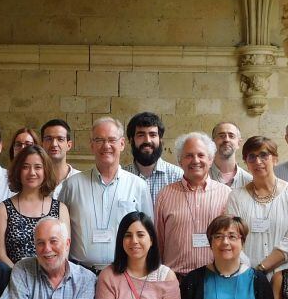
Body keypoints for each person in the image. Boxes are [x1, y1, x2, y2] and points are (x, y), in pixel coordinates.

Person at [58, 117, 153, 272]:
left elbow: (148, 232)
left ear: (122, 144)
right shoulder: (72, 185)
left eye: (111, 140)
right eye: (99, 140)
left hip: (124, 273)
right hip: (80, 273)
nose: (106, 146)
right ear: (92, 145)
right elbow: (60, 230)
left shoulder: (138, 186)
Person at [225, 136, 288, 275]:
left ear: (275, 159)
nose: (258, 161)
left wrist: (261, 268)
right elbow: (233, 237)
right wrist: (250, 273)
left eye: (263, 155)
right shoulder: (236, 197)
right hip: (246, 275)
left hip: (286, 276)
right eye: (252, 157)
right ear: (246, 162)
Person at [154, 132, 231, 277]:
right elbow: (158, 242)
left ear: (210, 159)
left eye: (201, 155)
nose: (195, 160)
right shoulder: (164, 195)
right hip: (176, 281)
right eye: (189, 156)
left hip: (215, 278)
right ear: (180, 161)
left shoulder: (226, 194)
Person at [0, 145, 69, 266]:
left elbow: (64, 251)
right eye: (25, 167)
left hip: (51, 280)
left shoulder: (60, 209)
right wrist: (21, 277)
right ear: (18, 170)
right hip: (14, 279)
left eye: (38, 167)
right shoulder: (3, 210)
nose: (32, 172)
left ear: (46, 170)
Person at [2, 217, 97, 299]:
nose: (47, 249)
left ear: (67, 244)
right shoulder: (23, 270)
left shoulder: (86, 279)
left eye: (53, 241)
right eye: (40, 243)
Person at [122, 111, 183, 207]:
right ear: (131, 140)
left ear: (160, 140)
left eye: (153, 135)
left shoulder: (177, 177)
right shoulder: (121, 178)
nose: (147, 140)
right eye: (141, 135)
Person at [40, 118, 81, 197]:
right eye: (49, 139)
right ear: (42, 144)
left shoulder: (81, 180)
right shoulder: (34, 179)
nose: (54, 144)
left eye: (60, 139)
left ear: (68, 145)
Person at [210, 121, 253, 189]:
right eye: (221, 136)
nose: (226, 139)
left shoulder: (249, 181)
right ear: (212, 143)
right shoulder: (201, 176)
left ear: (238, 143)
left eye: (231, 136)